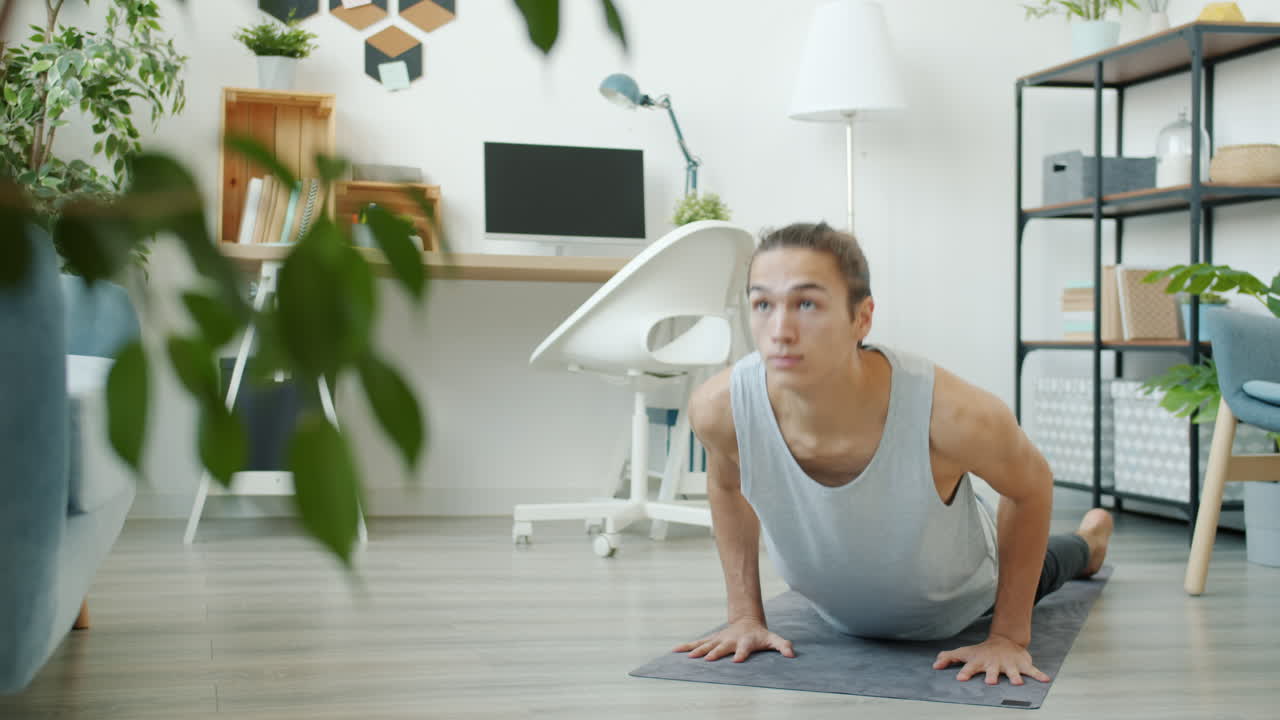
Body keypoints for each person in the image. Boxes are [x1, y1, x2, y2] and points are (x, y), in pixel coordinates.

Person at [674, 222, 1113, 686]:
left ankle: (1089, 544)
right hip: (842, 604)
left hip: (961, 598)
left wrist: (1008, 636)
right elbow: (726, 485)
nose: (779, 330)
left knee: (1048, 561)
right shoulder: (720, 409)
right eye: (763, 304)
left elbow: (1032, 486)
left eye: (807, 304)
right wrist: (744, 615)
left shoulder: (954, 413)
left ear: (861, 318)